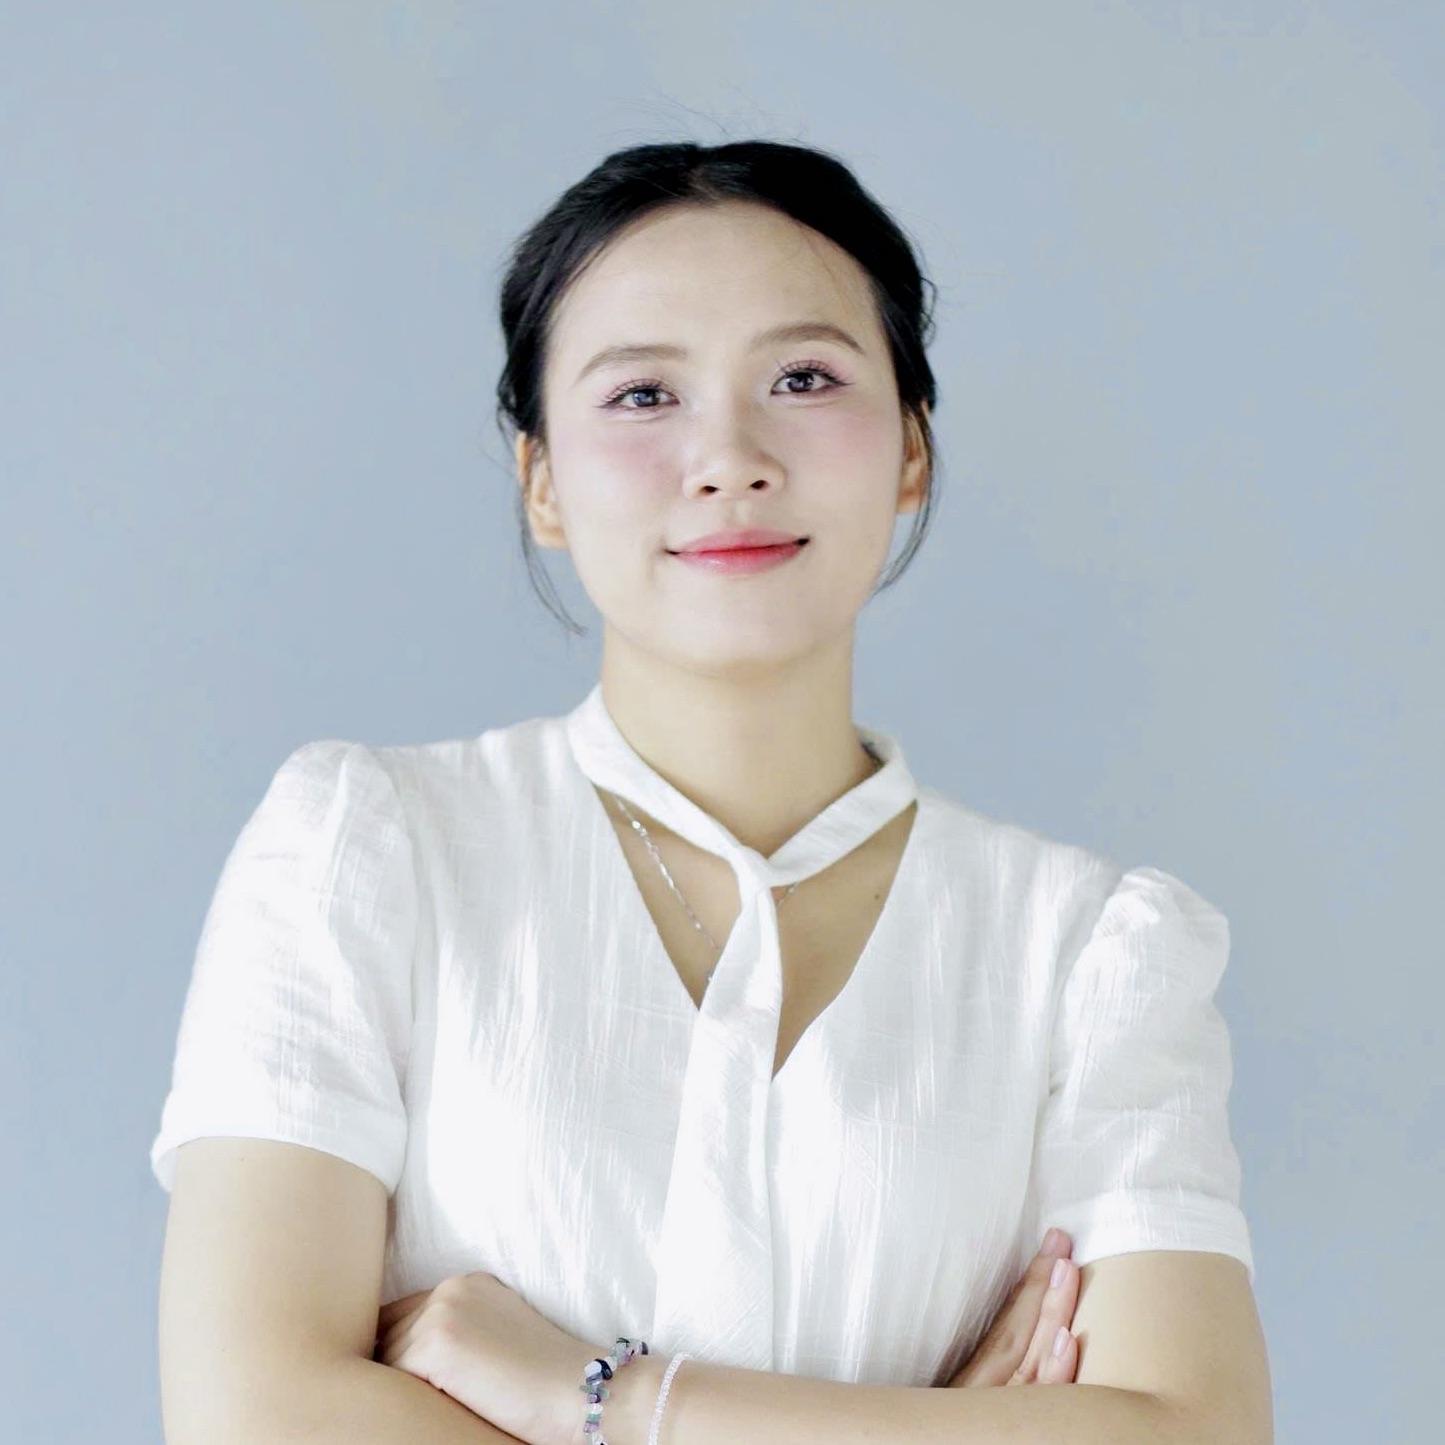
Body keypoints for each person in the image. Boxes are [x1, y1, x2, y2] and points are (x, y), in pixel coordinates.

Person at [151, 139, 1255, 1427]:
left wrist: (603, 1399)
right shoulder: (370, 851)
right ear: (542, 480)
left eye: (804, 378)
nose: (729, 458)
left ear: (911, 451)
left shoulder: (1094, 954)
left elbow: (1200, 1433)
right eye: (642, 395)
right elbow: (252, 1418)